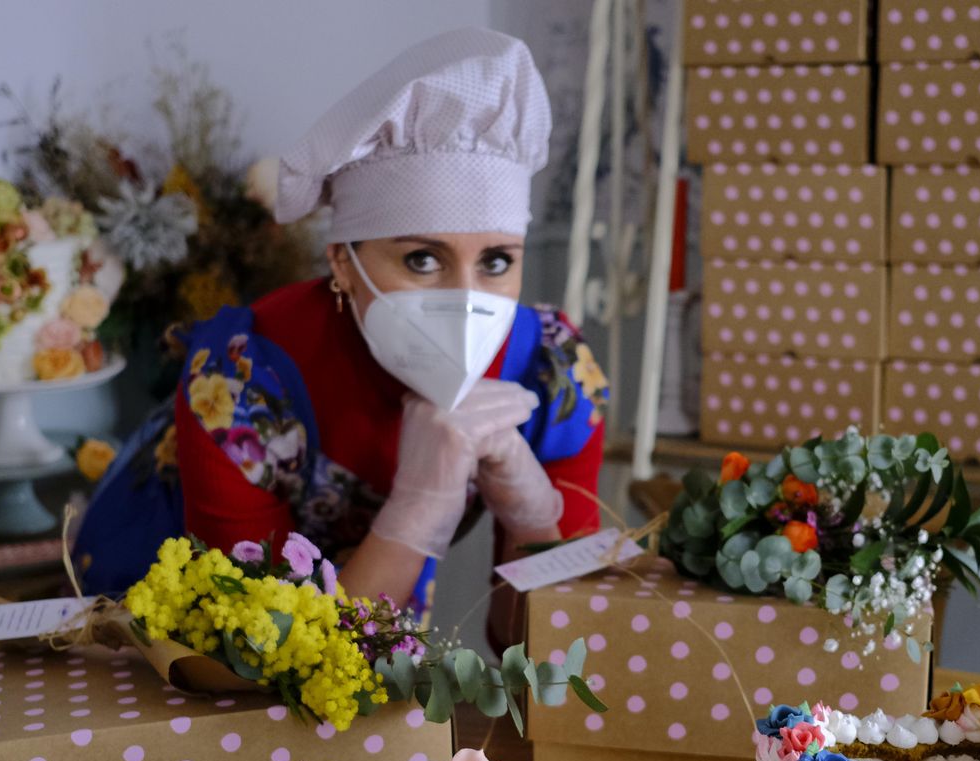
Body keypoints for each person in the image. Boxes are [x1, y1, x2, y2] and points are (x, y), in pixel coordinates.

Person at [74, 28, 607, 643]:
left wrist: (534, 524)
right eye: (421, 260)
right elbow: (268, 659)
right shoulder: (243, 382)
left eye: (495, 262)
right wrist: (412, 517)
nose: (466, 301)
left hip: (366, 643)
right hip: (163, 630)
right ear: (342, 262)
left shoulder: (554, 373)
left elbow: (549, 661)